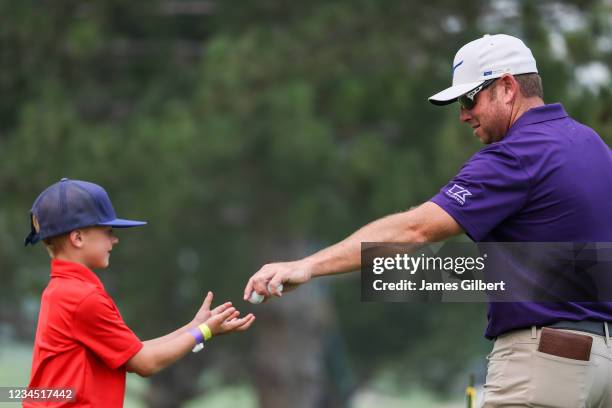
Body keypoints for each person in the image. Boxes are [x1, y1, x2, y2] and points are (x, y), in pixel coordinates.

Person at [244, 34, 612, 407]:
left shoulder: (516, 154)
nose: (464, 114)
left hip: (545, 365)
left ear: (506, 87)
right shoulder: (593, 146)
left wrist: (308, 266)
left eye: (470, 99)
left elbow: (415, 230)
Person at [24, 178, 255, 407]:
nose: (114, 240)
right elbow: (145, 363)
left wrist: (195, 326)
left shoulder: (63, 290)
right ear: (78, 238)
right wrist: (204, 332)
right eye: (107, 231)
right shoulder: (82, 298)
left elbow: (137, 351)